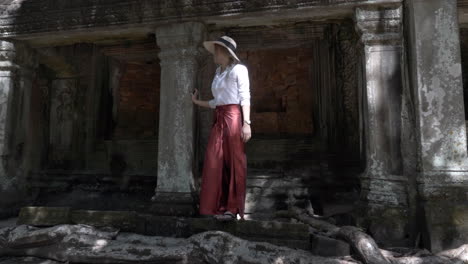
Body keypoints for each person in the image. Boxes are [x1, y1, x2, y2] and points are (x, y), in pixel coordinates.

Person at [191, 36, 252, 221]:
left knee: (233, 163)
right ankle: (214, 206)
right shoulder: (218, 72)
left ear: (225, 53)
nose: (214, 54)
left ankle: (232, 210)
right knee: (214, 159)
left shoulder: (239, 70)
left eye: (216, 50)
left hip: (234, 117)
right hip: (219, 118)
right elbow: (216, 102)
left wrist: (247, 123)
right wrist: (195, 102)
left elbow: (245, 96)